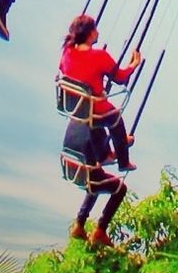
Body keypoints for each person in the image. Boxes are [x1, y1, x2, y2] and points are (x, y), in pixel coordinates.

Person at [58, 14, 141, 173]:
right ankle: (123, 161)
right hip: (94, 106)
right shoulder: (99, 56)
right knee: (115, 118)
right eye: (95, 29)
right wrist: (134, 64)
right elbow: (121, 78)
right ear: (90, 33)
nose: (97, 31)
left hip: (76, 106)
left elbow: (64, 70)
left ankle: (105, 156)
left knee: (93, 121)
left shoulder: (67, 52)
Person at [62, 117, 128, 249]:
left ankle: (79, 224)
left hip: (72, 171)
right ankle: (100, 230)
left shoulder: (74, 121)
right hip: (89, 176)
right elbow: (106, 159)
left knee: (97, 176)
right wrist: (125, 144)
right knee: (120, 188)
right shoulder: (97, 126)